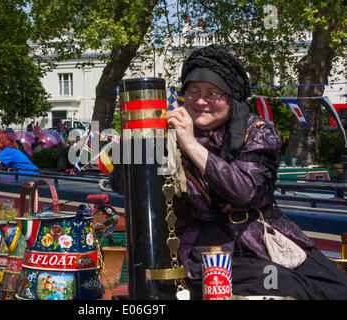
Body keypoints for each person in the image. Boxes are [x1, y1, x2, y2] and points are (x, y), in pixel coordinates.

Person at [111, 45, 347, 299]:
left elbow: (246, 192)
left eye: (212, 93)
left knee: (332, 288)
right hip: (197, 252)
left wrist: (190, 144)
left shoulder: (257, 131)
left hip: (257, 242)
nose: (201, 101)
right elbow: (121, 185)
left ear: (231, 98)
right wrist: (140, 136)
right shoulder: (167, 133)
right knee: (284, 288)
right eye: (193, 92)